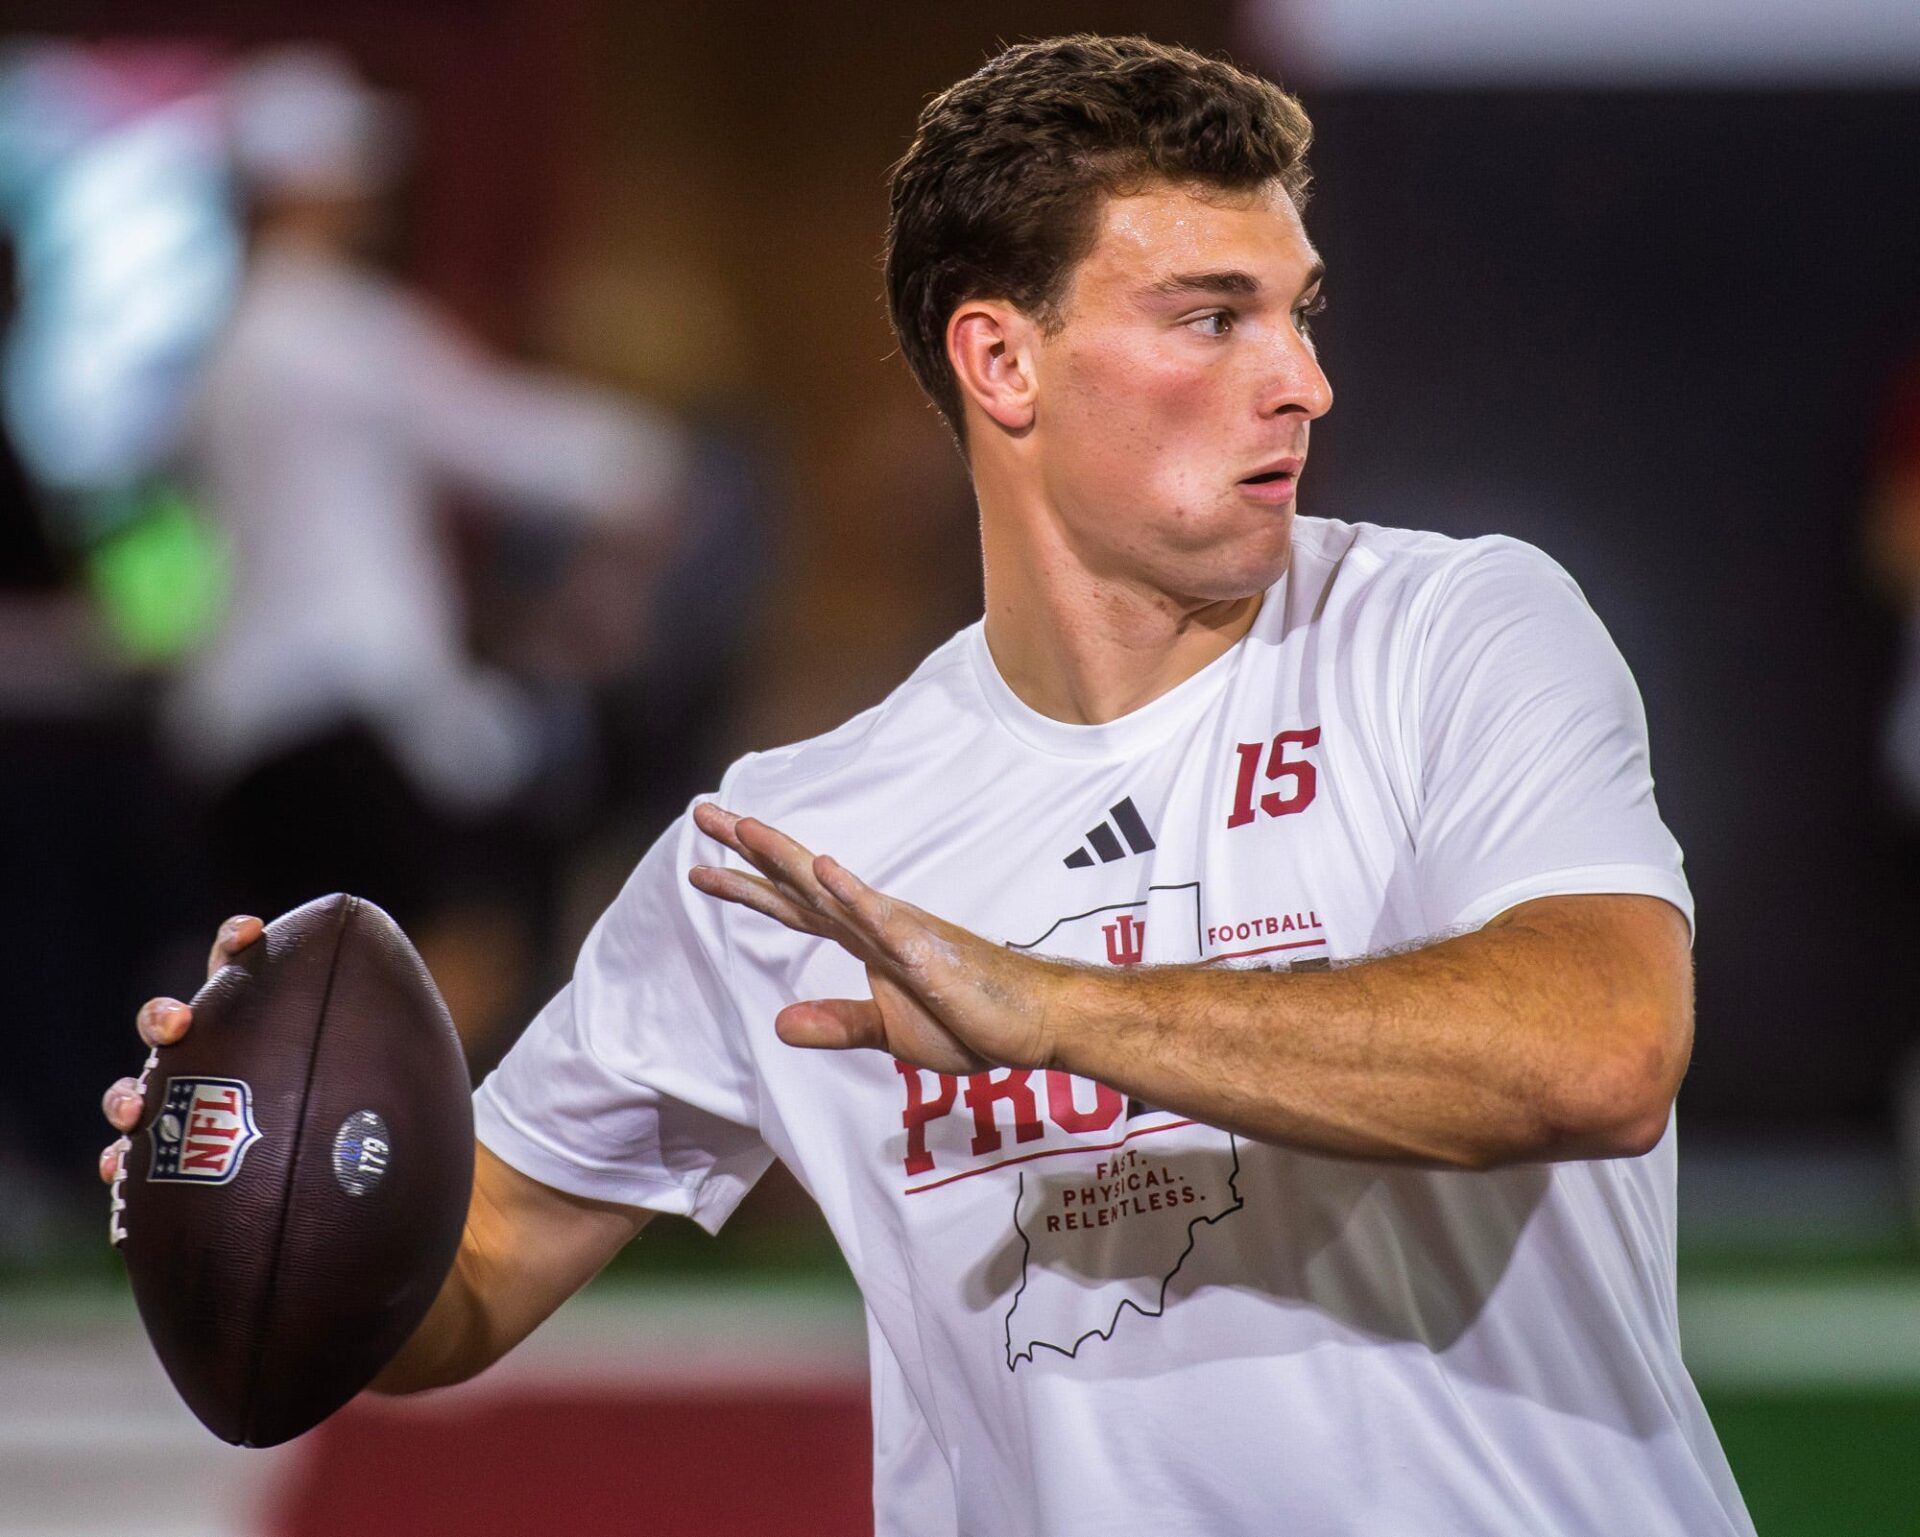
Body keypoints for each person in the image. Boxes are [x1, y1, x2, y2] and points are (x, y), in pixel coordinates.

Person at [103, 35, 1753, 1536]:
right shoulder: (787, 848)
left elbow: (1599, 1050)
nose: (1300, 379)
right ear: (1002, 361)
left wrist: (1046, 1006)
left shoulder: (1455, 627)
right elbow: (468, 1280)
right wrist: (254, 1192)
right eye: (1209, 315)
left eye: (1296, 308)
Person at [167, 47, 686, 1059]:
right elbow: (509, 436)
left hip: (242, 719)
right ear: (305, 185)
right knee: (458, 938)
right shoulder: (332, 331)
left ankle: (294, 1170)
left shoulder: (228, 345)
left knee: (298, 974)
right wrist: (654, 457)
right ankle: (377, 1154)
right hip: (338, 706)